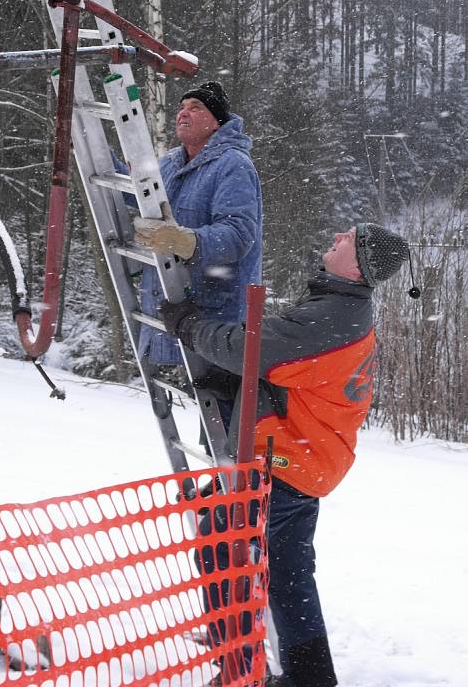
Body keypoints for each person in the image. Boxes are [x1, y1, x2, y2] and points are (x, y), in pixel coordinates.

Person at [159, 223, 412, 687]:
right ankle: (300, 674)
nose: (335, 235)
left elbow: (248, 347)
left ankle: (242, 665)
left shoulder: (332, 316)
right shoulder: (339, 307)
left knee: (225, 543)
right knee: (281, 569)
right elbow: (290, 370)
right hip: (308, 453)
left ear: (358, 265)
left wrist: (188, 327)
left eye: (347, 239)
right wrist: (240, 383)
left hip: (290, 459)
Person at [113, 81, 262, 428]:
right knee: (210, 413)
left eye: (196, 107)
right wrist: (99, 158)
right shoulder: (170, 164)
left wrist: (186, 241)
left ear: (217, 122)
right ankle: (215, 481)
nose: (184, 112)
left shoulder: (233, 165)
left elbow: (239, 236)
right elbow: (140, 195)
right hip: (180, 305)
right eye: (182, 106)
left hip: (217, 310)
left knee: (223, 417)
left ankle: (229, 480)